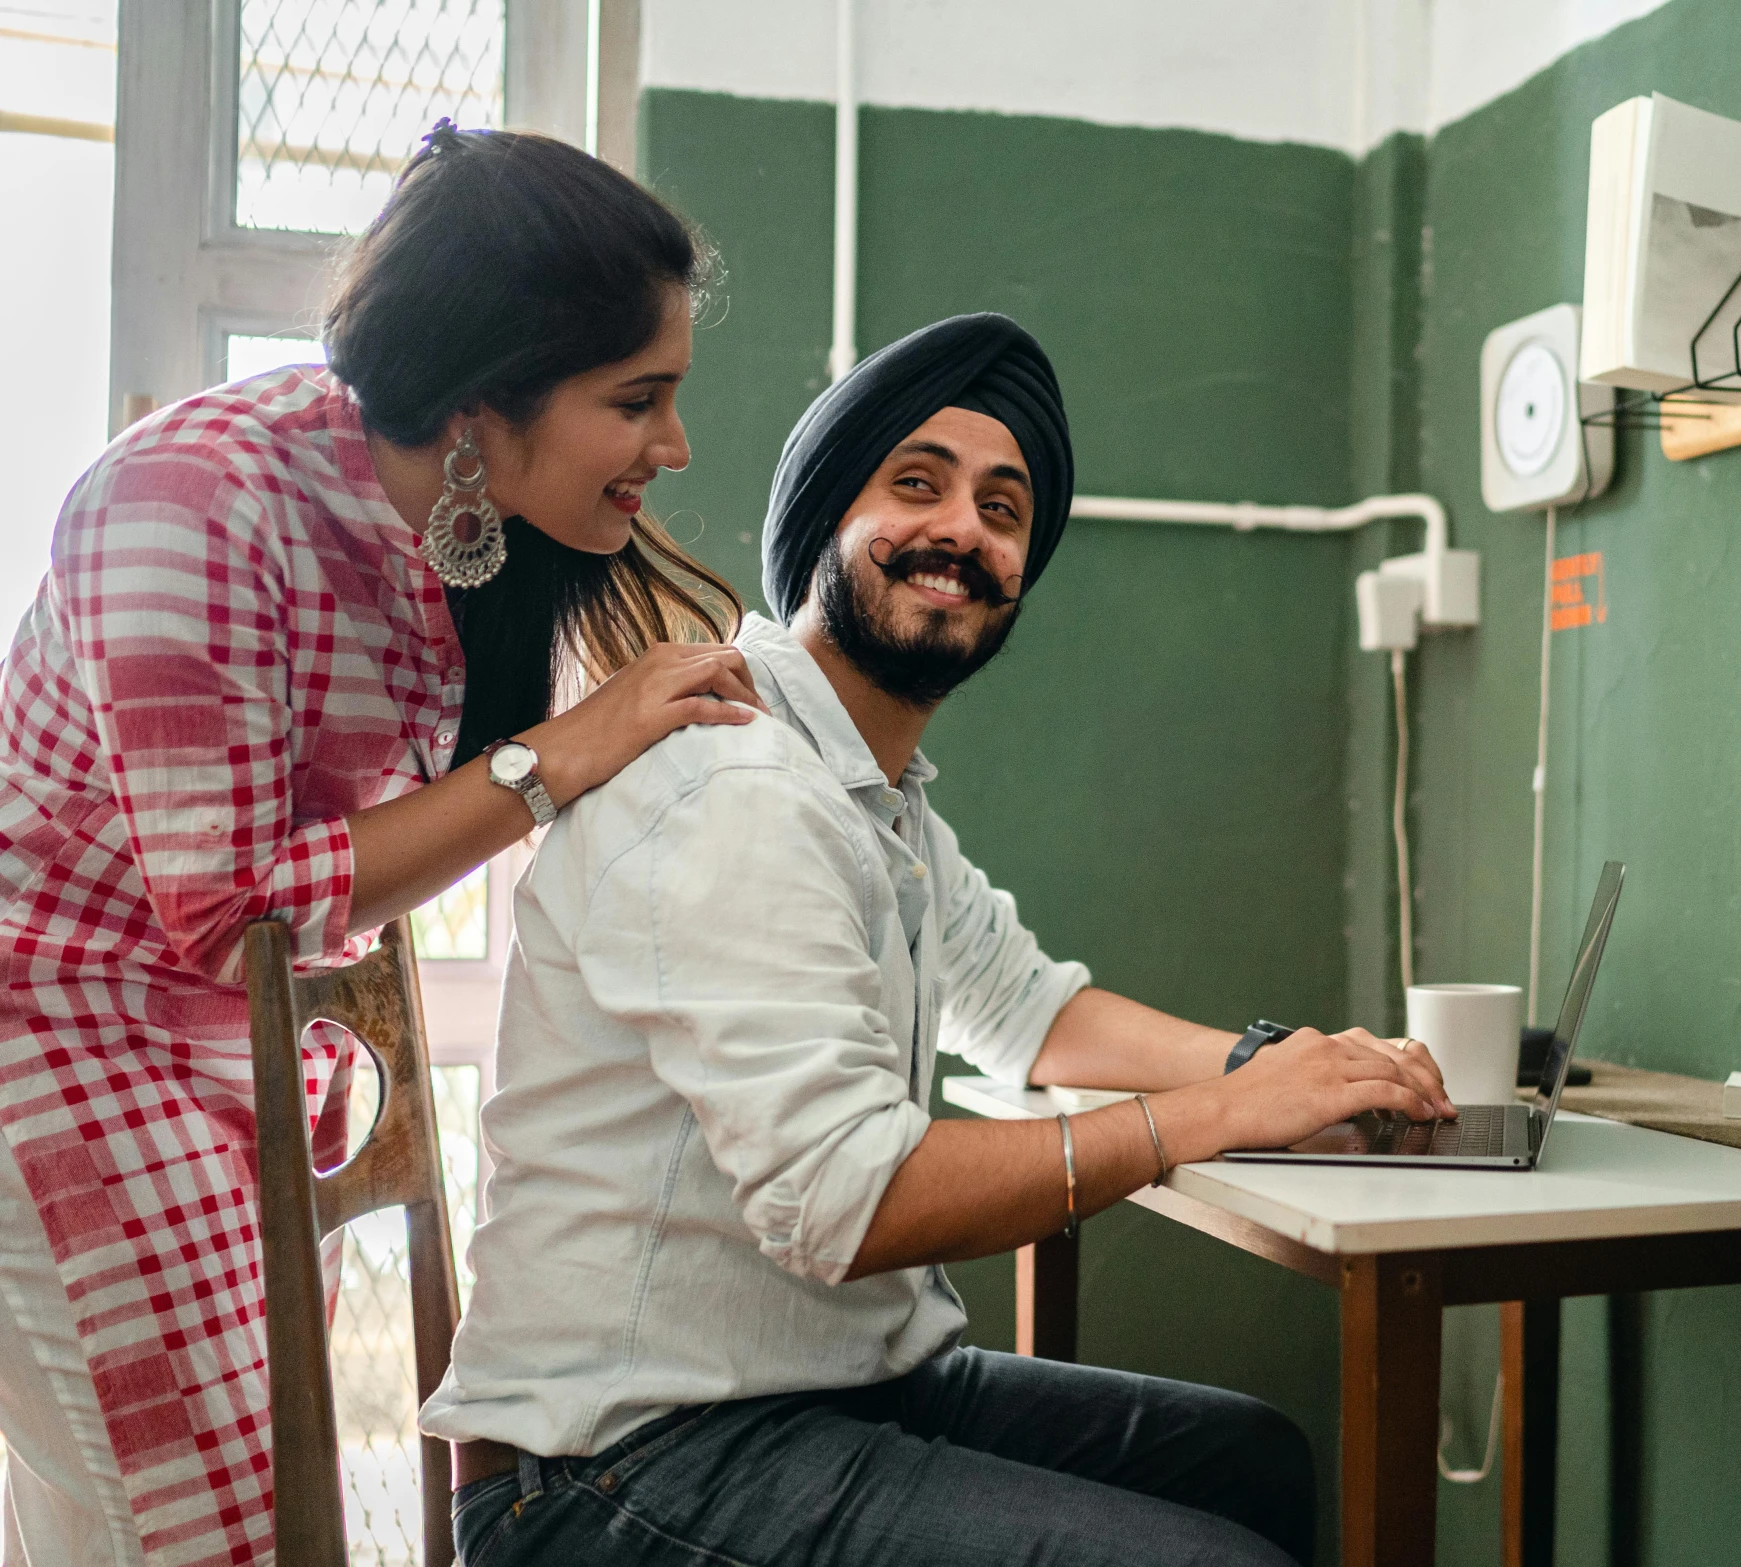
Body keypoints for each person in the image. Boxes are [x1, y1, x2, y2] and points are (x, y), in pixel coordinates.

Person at [419, 313, 1458, 1566]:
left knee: (1253, 1461)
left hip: (820, 1388)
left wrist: (1273, 1067)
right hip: (614, 1462)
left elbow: (1027, 1009)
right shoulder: (736, 781)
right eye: (917, 484)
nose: (964, 528)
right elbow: (843, 1202)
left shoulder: (871, 787)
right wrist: (1208, 1117)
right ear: (824, 518)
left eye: (1005, 511)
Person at [0, 125, 763, 1566]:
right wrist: (558, 752)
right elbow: (232, 914)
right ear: (483, 402)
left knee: (139, 1529)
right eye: (638, 399)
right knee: (224, 1535)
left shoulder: (468, 532)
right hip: (53, 1040)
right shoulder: (191, 503)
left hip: (241, 1055)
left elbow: (351, 872)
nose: (672, 446)